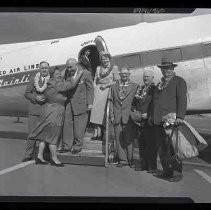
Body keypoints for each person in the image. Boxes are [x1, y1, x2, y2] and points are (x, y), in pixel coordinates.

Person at [28, 66, 83, 166]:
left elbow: (61, 75)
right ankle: (54, 159)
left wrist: (65, 69)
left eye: (60, 73)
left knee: (44, 136)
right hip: (55, 111)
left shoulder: (50, 83)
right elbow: (71, 85)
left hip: (47, 110)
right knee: (53, 136)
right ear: (53, 75)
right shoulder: (56, 84)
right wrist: (79, 74)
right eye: (57, 73)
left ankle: (39, 156)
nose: (59, 75)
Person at [150, 57, 187, 182]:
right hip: (157, 121)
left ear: (173, 69)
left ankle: (176, 174)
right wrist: (151, 117)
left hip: (171, 121)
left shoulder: (179, 81)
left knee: (172, 148)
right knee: (162, 148)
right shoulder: (159, 84)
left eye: (168, 68)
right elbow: (154, 103)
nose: (166, 70)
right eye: (163, 68)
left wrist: (180, 117)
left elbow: (182, 99)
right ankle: (166, 171)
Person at [59, 58, 94, 154]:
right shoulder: (67, 73)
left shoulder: (85, 73)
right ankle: (66, 146)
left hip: (81, 103)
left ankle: (77, 146)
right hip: (69, 102)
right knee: (67, 124)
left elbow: (90, 89)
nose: (69, 69)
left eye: (70, 67)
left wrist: (90, 103)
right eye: (67, 67)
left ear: (76, 64)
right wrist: (64, 70)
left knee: (79, 126)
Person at [109, 66, 139, 168]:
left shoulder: (135, 86)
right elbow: (111, 102)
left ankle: (130, 159)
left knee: (129, 138)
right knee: (118, 138)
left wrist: (135, 113)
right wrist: (111, 115)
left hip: (128, 116)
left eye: (126, 74)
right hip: (117, 116)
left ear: (129, 74)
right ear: (119, 75)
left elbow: (137, 102)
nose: (124, 75)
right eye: (122, 74)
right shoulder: (113, 87)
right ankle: (123, 160)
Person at [22, 61, 50, 162]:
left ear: (48, 69)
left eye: (46, 68)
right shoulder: (33, 79)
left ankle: (45, 154)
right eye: (42, 68)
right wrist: (35, 97)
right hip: (34, 110)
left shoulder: (51, 80)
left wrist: (46, 98)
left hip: (46, 111)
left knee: (46, 134)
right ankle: (28, 154)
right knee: (31, 134)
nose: (44, 70)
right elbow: (27, 93)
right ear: (39, 69)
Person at [90, 51, 119, 142]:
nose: (104, 60)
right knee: (95, 111)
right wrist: (94, 88)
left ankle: (104, 133)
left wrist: (107, 85)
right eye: (102, 58)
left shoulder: (114, 68)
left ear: (109, 59)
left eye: (106, 58)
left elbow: (117, 81)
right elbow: (95, 80)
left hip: (108, 90)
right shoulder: (98, 68)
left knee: (105, 112)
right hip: (98, 90)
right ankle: (96, 133)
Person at [131, 70, 156, 173]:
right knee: (141, 144)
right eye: (144, 76)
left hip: (149, 121)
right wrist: (134, 111)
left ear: (152, 77)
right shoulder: (140, 88)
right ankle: (143, 164)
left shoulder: (154, 89)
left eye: (148, 76)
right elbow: (134, 102)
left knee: (151, 144)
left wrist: (149, 115)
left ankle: (152, 166)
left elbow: (156, 104)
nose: (146, 78)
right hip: (139, 120)